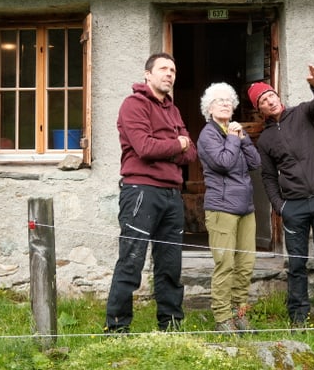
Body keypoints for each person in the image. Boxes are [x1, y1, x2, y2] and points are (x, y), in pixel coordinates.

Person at [105, 52, 198, 333]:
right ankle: (117, 327)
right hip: (141, 190)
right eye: (163, 69)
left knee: (170, 265)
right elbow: (144, 148)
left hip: (172, 194)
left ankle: (170, 325)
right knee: (131, 261)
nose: (169, 74)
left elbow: (191, 152)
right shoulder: (133, 105)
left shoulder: (173, 109)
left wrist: (174, 145)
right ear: (148, 74)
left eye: (173, 69)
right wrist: (176, 144)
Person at [249, 65, 314, 330]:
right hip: (294, 206)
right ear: (260, 110)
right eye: (264, 100)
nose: (270, 100)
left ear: (279, 97)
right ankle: (298, 316)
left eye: (271, 95)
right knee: (297, 265)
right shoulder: (264, 140)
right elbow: (267, 177)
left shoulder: (303, 113)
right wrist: (280, 207)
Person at [196, 82, 262, 334]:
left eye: (228, 100)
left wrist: (243, 138)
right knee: (225, 264)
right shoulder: (208, 134)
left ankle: (239, 315)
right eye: (219, 100)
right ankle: (223, 319)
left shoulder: (235, 132)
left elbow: (255, 162)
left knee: (245, 264)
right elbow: (223, 162)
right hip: (222, 207)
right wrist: (234, 139)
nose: (225, 103)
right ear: (209, 108)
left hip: (246, 207)